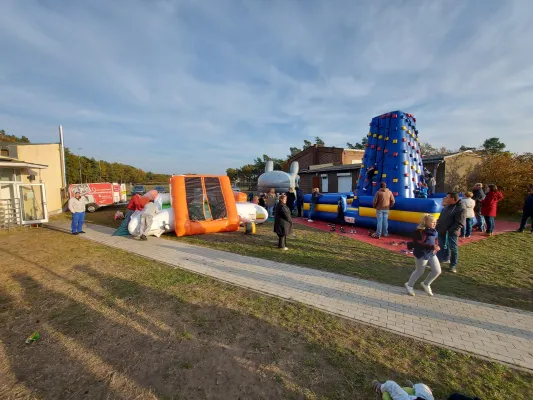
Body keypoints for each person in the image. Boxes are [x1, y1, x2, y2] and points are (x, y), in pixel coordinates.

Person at [405, 214, 441, 297]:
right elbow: (418, 243)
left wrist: (436, 245)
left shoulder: (434, 231)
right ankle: (409, 285)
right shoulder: (419, 232)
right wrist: (432, 247)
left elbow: (435, 239)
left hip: (431, 253)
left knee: (437, 271)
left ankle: (426, 284)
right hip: (422, 254)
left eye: (436, 222)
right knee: (419, 271)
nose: (435, 224)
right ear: (426, 222)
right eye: (433, 222)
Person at [436, 192, 466, 273]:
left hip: (451, 233)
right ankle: (442, 259)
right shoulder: (447, 206)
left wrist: (450, 231)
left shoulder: (460, 208)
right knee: (441, 246)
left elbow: (460, 223)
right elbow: (441, 216)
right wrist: (437, 225)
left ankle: (453, 265)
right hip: (442, 230)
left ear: (453, 199)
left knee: (453, 248)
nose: (445, 198)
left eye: (447, 197)